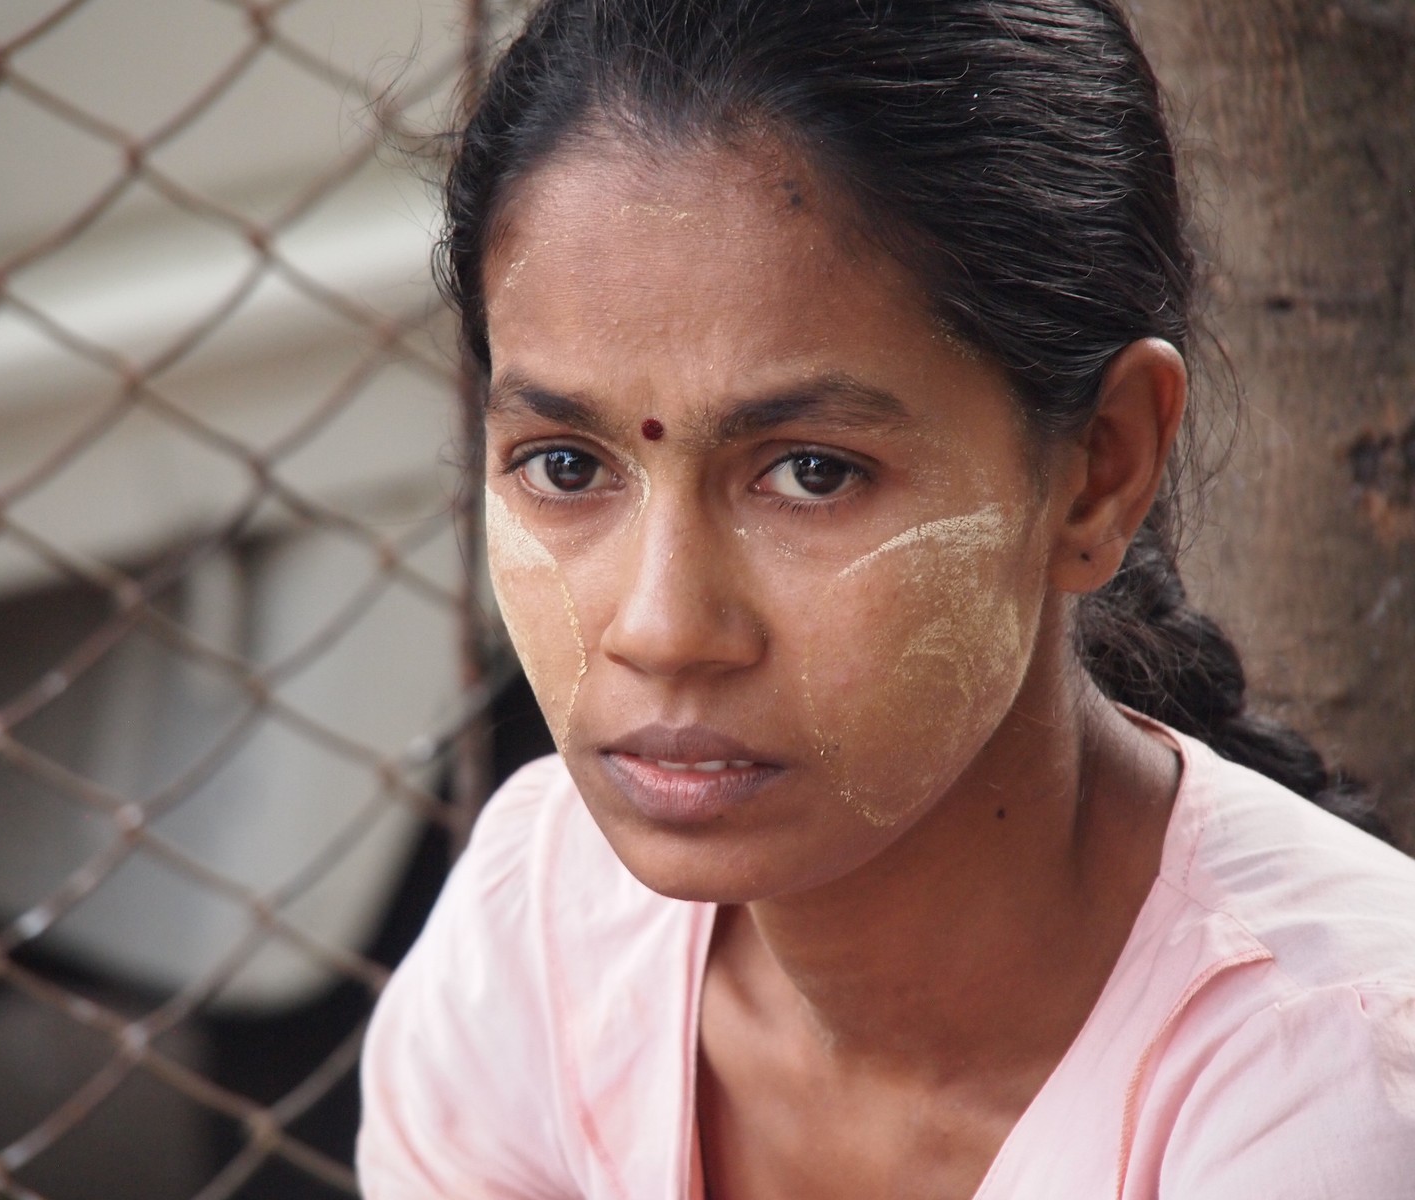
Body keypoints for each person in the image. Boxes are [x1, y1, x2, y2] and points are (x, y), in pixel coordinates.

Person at [357, 1, 1415, 1195]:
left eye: (813, 473)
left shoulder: (1327, 1091)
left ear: (1098, 470)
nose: (659, 628)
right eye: (566, 466)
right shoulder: (541, 928)